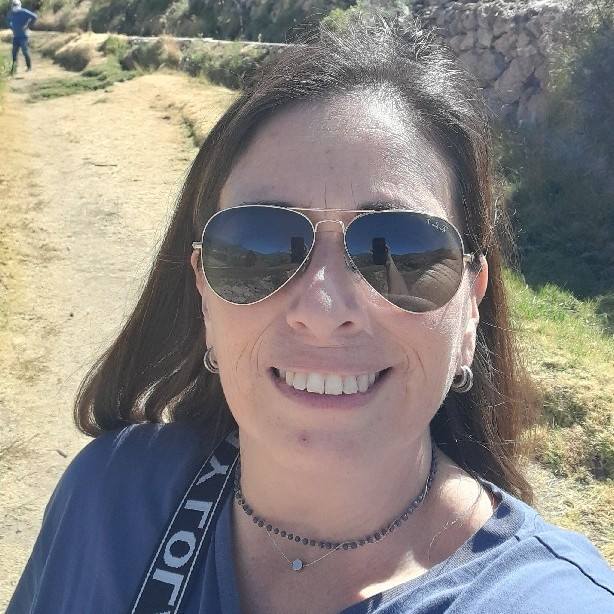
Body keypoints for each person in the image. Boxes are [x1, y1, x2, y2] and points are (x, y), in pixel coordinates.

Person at [8, 15, 614, 614]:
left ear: (469, 308)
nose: (323, 312)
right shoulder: (106, 500)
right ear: (204, 295)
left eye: (399, 250)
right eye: (261, 245)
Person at [6, 0, 36, 74]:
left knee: (25, 51)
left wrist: (27, 26)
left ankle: (29, 67)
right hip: (15, 36)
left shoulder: (24, 12)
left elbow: (34, 17)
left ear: (19, 5)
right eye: (13, 5)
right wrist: (11, 27)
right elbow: (8, 21)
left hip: (23, 36)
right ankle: (14, 69)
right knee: (14, 53)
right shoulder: (11, 13)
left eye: (16, 5)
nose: (15, 6)